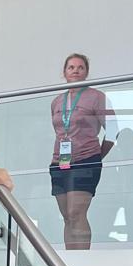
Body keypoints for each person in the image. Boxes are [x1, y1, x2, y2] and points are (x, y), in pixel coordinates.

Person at [48, 53, 114, 250]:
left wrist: (97, 156)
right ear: (64, 72)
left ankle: (82, 259)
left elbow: (113, 130)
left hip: (86, 159)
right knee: (67, 215)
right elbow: (59, 130)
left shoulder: (96, 96)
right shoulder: (57, 101)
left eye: (80, 67)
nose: (76, 70)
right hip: (59, 162)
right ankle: (71, 260)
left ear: (86, 72)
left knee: (77, 212)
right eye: (71, 67)